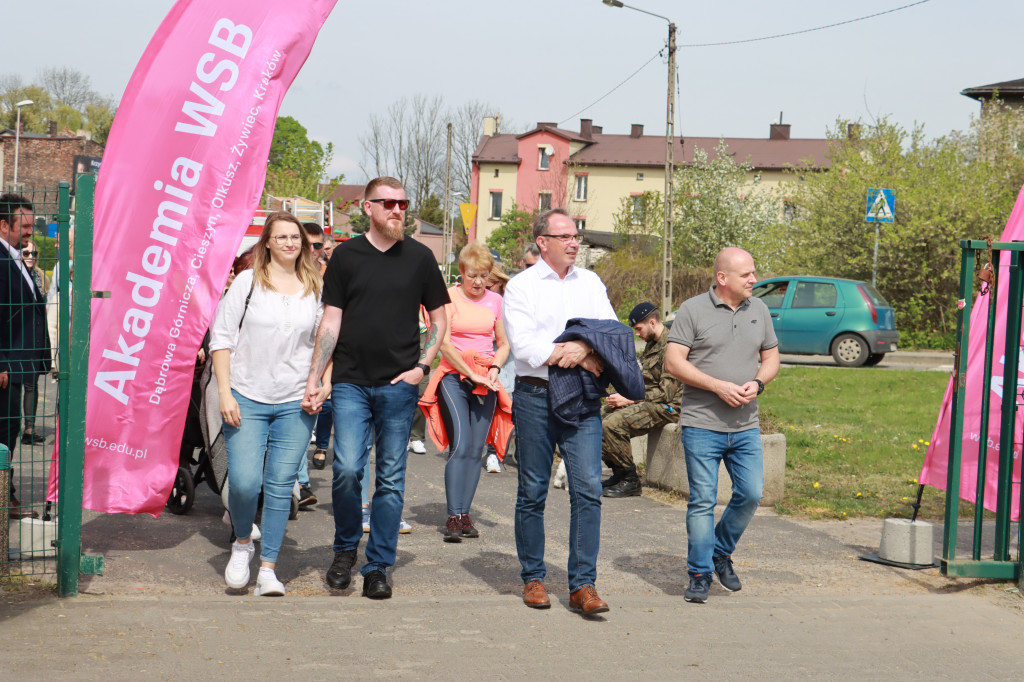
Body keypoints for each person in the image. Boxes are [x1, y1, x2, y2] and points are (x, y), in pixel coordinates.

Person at [303, 177, 449, 600]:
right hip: (349, 382)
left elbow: (440, 319)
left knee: (389, 477)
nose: (398, 210)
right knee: (347, 469)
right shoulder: (346, 256)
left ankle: (378, 565)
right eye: (388, 203)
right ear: (368, 207)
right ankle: (346, 549)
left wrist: (423, 366)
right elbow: (330, 321)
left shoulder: (420, 258)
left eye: (403, 203)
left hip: (399, 385)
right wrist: (316, 378)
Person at [502, 208, 618, 617]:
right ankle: (533, 577)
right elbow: (525, 347)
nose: (574, 243)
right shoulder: (520, 287)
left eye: (577, 237)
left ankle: (583, 585)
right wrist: (575, 353)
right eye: (565, 236)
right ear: (543, 242)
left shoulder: (591, 282)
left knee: (587, 487)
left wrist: (585, 350)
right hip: (535, 395)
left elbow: (612, 332)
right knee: (532, 490)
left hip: (583, 398)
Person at [210, 211, 329, 596]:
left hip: (296, 401)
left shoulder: (317, 287)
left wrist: (324, 384)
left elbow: (329, 342)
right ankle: (242, 543)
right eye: (282, 237)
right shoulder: (247, 283)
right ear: (267, 243)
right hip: (246, 396)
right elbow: (221, 339)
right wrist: (225, 393)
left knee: (280, 487)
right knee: (244, 483)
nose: (291, 243)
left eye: (296, 237)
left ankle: (268, 569)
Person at [664, 247, 780, 604]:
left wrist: (758, 383)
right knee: (702, 501)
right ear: (722, 278)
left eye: (753, 273)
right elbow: (672, 362)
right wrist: (717, 385)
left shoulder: (758, 310)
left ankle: (719, 551)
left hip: (746, 425)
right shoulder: (692, 310)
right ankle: (699, 573)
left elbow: (772, 356)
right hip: (702, 423)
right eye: (747, 274)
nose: (754, 280)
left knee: (752, 493)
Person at [426, 244, 509, 542]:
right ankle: (452, 514)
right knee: (460, 446)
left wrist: (494, 369)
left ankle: (464, 513)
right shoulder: (447, 298)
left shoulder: (496, 301)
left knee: (476, 450)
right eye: (472, 275)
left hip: (485, 380)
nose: (478, 282)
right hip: (453, 377)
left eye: (484, 276)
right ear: (461, 272)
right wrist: (470, 372)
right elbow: (443, 343)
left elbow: (504, 344)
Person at [0, 193, 50, 520]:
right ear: (4, 225)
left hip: (19, 364)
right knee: (3, 433)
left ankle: (7, 495)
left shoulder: (16, 257)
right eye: (25, 226)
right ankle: (6, 498)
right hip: (6, 365)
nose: (31, 231)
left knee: (10, 430)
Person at [600, 302, 682, 498]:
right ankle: (619, 473)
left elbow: (665, 393)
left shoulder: (671, 345)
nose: (637, 334)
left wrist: (629, 399)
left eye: (639, 328)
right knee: (596, 417)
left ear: (652, 322)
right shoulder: (652, 343)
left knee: (611, 424)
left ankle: (630, 480)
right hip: (648, 401)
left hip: (666, 407)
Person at [19, 241, 50, 445]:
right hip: (15, 337)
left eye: (34, 252)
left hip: (34, 338)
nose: (31, 256)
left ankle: (29, 428)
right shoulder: (12, 271)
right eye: (26, 252)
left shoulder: (41, 277)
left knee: (32, 384)